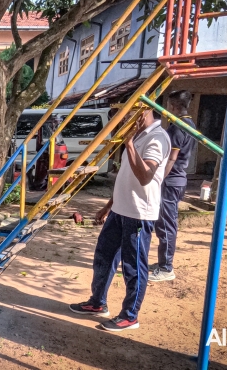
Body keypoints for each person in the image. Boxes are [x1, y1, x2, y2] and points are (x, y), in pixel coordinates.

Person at [69, 108, 171, 332]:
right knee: (104, 256)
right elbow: (125, 176)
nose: (124, 118)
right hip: (119, 210)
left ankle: (130, 316)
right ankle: (97, 302)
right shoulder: (137, 135)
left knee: (133, 266)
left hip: (138, 214)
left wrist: (129, 144)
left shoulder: (158, 138)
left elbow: (145, 177)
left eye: (128, 112)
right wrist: (108, 206)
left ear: (144, 110)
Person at [149, 90, 195, 282]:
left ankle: (166, 268)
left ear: (173, 106)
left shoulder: (177, 128)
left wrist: (157, 179)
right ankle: (163, 262)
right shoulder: (190, 124)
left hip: (170, 181)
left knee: (166, 224)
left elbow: (171, 159)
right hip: (178, 179)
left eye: (168, 105)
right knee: (164, 223)